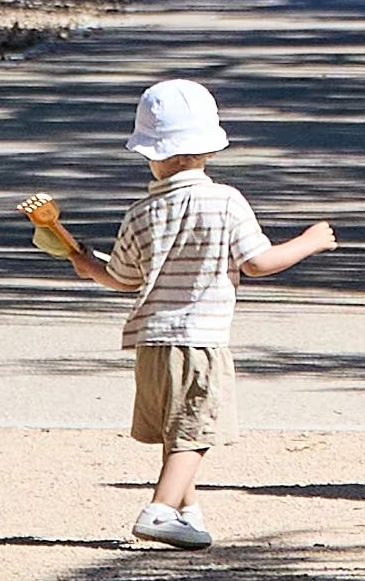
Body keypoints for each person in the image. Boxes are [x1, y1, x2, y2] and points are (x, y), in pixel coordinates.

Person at [56, 79, 337, 549]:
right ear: (209, 147)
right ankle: (160, 510)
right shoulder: (225, 200)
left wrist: (88, 265)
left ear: (149, 151)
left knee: (176, 424)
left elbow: (124, 277)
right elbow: (258, 262)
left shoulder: (141, 212)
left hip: (151, 339)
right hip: (201, 338)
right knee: (195, 431)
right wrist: (309, 241)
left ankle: (187, 510)